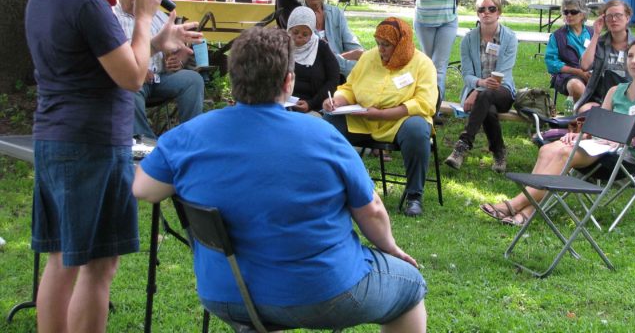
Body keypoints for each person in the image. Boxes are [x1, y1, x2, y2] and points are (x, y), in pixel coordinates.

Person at [133, 27, 427, 332]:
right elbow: (373, 211)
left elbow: (143, 188)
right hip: (322, 292)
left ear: (232, 81)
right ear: (289, 82)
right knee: (410, 285)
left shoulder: (187, 137)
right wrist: (391, 249)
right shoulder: (322, 135)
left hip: (227, 292)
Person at [25, 0, 200, 333]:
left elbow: (113, 63)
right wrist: (144, 19)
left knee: (69, 258)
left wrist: (159, 42)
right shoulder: (87, 5)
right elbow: (130, 77)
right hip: (91, 145)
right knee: (90, 265)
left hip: (56, 137)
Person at [480, 39, 635, 226]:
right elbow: (598, 125)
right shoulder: (615, 90)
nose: (634, 61)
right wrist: (581, 135)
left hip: (628, 154)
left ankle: (514, 204)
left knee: (565, 153)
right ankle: (527, 213)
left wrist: (626, 138)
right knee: (547, 150)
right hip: (602, 146)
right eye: (630, 56)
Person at [323, 18, 437, 217]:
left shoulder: (422, 64)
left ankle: (414, 196)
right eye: (378, 44)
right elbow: (350, 87)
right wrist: (338, 101)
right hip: (364, 119)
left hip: (399, 121)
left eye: (386, 45)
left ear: (401, 44)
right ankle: (329, 187)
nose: (380, 49)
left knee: (418, 130)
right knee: (328, 124)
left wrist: (384, 114)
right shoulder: (369, 58)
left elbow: (424, 103)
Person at [113, 0, 205, 140]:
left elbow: (180, 48)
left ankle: (191, 138)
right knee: (128, 89)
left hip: (162, 77)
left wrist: (177, 59)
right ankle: (145, 142)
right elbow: (115, 57)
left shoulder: (157, 15)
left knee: (193, 79)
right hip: (132, 79)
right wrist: (138, 69)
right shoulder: (111, 18)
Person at [444, 0, 518, 173]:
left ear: (498, 12)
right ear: (477, 14)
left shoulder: (510, 38)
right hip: (478, 92)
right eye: (481, 9)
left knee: (485, 95)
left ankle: (462, 145)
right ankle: (499, 152)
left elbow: (501, 75)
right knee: (488, 110)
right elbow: (467, 74)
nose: (486, 13)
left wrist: (476, 90)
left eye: (491, 8)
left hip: (502, 91)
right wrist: (478, 86)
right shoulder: (468, 39)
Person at [295, 0, 364, 77]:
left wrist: (361, 55)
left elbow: (352, 43)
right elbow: (317, 56)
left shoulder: (336, 13)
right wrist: (351, 58)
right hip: (316, 73)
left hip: (341, 69)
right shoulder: (300, 17)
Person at [574, 0, 635, 113]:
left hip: (629, 99)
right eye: (609, 16)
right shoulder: (600, 43)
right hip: (601, 98)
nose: (613, 19)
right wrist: (596, 34)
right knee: (584, 111)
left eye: (618, 15)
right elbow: (585, 65)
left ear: (627, 18)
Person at [286, 6, 340, 114]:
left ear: (311, 33)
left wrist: (311, 103)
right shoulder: (281, 45)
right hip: (284, 104)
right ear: (289, 29)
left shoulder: (321, 48)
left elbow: (333, 80)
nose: (299, 37)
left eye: (305, 34)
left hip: (314, 106)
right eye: (295, 32)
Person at [545, 0, 594, 103]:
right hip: (567, 76)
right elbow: (551, 63)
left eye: (573, 12)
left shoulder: (592, 33)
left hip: (592, 74)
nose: (569, 15)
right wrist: (579, 72)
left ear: (582, 14)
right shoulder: (557, 36)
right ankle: (580, 115)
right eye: (566, 12)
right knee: (576, 86)